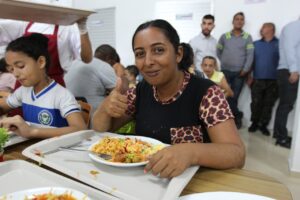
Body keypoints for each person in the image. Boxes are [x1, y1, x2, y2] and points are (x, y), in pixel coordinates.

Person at [93, 19, 245, 178]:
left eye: (158, 50)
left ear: (178, 54)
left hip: (191, 184)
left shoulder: (206, 93)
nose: (148, 62)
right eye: (140, 54)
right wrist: (105, 107)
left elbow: (236, 153)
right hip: (144, 181)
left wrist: (191, 152)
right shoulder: (139, 92)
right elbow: (101, 129)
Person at [0, 33, 86, 138]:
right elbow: (3, 107)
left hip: (57, 150)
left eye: (20, 66)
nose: (16, 74)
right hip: (31, 149)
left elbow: (80, 129)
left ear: (41, 62)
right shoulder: (23, 91)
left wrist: (33, 132)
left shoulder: (61, 95)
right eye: (11, 69)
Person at [0, 18, 93, 86]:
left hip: (52, 83)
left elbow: (87, 58)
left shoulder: (68, 27)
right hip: (23, 82)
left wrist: (82, 29)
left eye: (20, 65)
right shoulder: (25, 21)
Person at [217, 12, 254, 129]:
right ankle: (235, 117)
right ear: (233, 22)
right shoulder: (225, 36)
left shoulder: (247, 37)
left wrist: (246, 69)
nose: (239, 21)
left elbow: (250, 55)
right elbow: (218, 51)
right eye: (237, 19)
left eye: (241, 19)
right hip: (225, 71)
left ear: (243, 22)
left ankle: (234, 119)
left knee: (234, 96)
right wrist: (223, 63)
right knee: (224, 96)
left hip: (240, 73)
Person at [248, 23, 279, 136]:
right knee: (256, 103)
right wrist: (249, 76)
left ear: (271, 29)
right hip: (257, 79)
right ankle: (254, 123)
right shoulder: (255, 44)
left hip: (274, 80)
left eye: (264, 27)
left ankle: (263, 125)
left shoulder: (279, 44)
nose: (261, 29)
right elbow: (250, 61)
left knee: (268, 104)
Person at [273, 19, 300, 148]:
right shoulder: (294, 27)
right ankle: (281, 137)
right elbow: (289, 49)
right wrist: (294, 69)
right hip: (289, 71)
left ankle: (279, 134)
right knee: (286, 105)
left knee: (285, 105)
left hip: (290, 70)